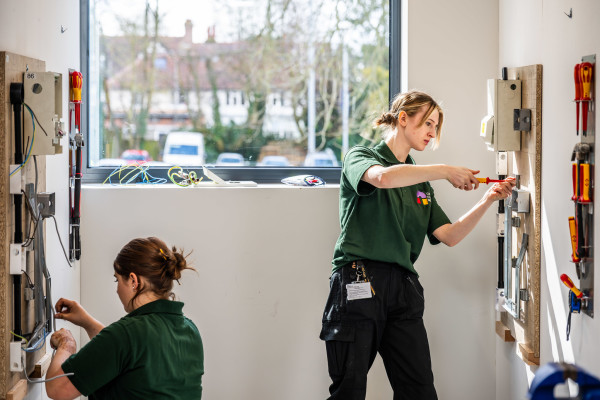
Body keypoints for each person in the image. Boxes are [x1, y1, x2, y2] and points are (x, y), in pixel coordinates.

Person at [319, 90, 515, 400]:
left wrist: (488, 199)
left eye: (436, 126)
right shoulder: (360, 157)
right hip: (359, 282)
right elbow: (382, 178)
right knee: (349, 391)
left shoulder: (420, 186)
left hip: (403, 291)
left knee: (419, 391)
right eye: (427, 123)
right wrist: (445, 170)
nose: (431, 132)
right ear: (402, 118)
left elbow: (449, 235)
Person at [45, 237, 204, 400]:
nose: (117, 289)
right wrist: (87, 322)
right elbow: (127, 357)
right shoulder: (190, 331)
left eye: (118, 280)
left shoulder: (127, 334)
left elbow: (56, 388)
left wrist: (67, 345)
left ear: (134, 281)